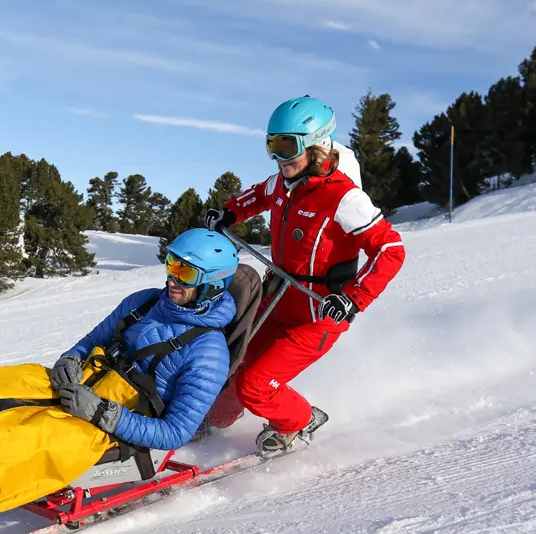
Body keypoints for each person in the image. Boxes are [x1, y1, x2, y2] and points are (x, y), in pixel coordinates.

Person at [203, 95, 406, 455]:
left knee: (256, 383)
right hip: (279, 299)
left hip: (318, 314)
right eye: (271, 146)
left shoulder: (345, 198)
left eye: (286, 146)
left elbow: (390, 249)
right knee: (235, 366)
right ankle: (214, 423)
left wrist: (354, 298)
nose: (278, 158)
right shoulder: (283, 183)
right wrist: (229, 214)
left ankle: (298, 422)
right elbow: (256, 196)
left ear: (316, 146)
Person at [51, 228, 240, 450]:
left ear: (213, 286)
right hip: (85, 387)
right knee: (7, 386)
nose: (171, 279)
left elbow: (175, 433)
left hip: (114, 424)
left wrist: (101, 413)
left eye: (185, 273)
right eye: (171, 265)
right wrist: (71, 358)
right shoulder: (143, 301)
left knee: (25, 439)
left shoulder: (209, 354)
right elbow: (93, 340)